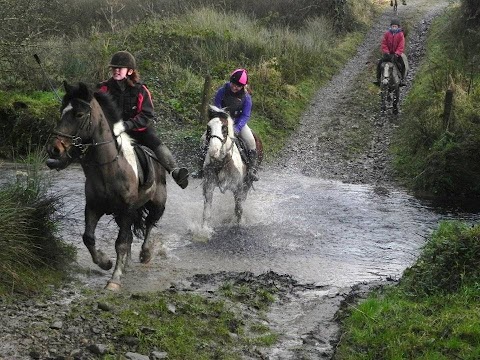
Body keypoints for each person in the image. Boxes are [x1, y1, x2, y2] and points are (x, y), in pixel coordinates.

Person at [98, 50, 189, 189]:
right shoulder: (103, 88)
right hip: (112, 131)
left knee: (155, 142)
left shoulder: (141, 90)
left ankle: (175, 172)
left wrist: (127, 125)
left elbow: (146, 115)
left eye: (119, 68)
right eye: (114, 68)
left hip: (138, 131)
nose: (116, 70)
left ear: (129, 71)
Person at [193, 68, 259, 181]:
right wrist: (223, 124)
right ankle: (200, 169)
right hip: (222, 122)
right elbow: (218, 109)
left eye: (238, 85)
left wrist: (237, 128)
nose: (234, 87)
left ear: (243, 86)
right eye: (233, 83)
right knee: (203, 139)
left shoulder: (246, 98)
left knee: (251, 141)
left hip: (238, 123)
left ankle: (251, 170)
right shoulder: (222, 91)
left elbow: (245, 115)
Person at [373, 18, 408, 87]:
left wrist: (397, 54)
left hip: (396, 54)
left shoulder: (401, 35)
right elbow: (384, 43)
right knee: (380, 63)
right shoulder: (387, 34)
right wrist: (386, 52)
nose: (394, 28)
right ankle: (378, 79)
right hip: (388, 54)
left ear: (398, 27)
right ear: (390, 26)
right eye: (393, 26)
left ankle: (402, 79)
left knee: (402, 64)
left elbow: (401, 45)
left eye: (395, 26)